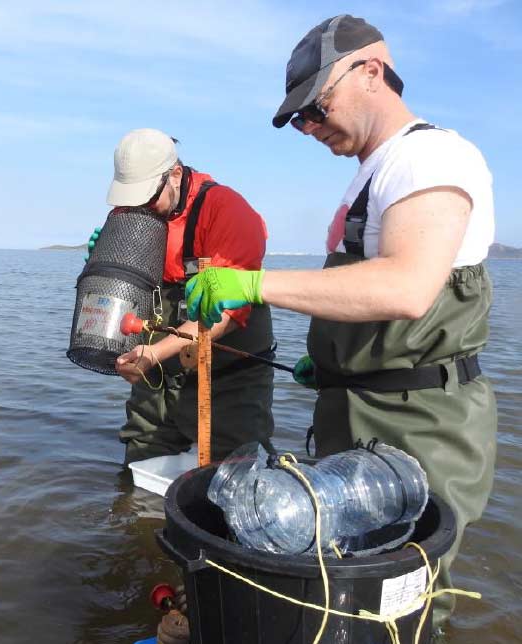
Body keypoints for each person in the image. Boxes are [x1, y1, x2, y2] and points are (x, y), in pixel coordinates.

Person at [184, 15, 496, 630]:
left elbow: (407, 287)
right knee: (341, 594)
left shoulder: (430, 156)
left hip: (416, 426)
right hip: (361, 412)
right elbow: (368, 296)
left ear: (371, 72)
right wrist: (334, 363)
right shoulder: (376, 171)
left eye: (316, 107)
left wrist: (253, 284)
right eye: (300, 119)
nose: (309, 127)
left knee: (402, 599)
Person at [103, 128, 275, 465]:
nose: (141, 208)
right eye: (132, 199)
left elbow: (225, 316)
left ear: (175, 175)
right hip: (157, 372)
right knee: (140, 457)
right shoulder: (130, 213)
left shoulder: (228, 211)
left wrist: (154, 353)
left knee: (233, 469)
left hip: (230, 377)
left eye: (148, 198)